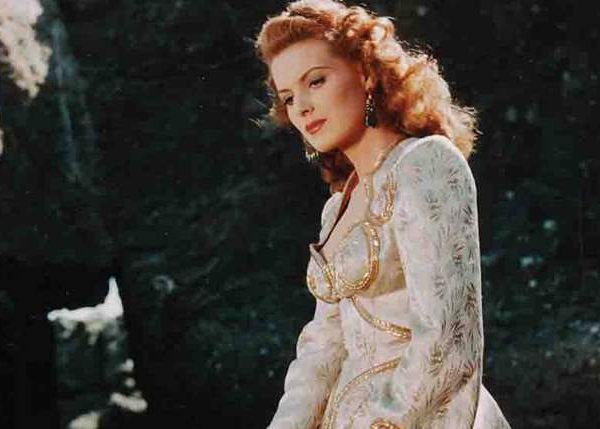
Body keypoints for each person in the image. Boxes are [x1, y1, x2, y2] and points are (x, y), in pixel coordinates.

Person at [253, 1, 511, 428]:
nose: (302, 107)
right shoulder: (338, 206)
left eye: (316, 80)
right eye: (289, 98)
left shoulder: (426, 163)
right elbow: (322, 349)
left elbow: (448, 342)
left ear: (366, 73)